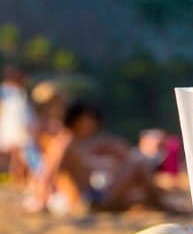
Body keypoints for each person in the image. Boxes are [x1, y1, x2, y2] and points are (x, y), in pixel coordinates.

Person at [27, 99, 170, 214]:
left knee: (140, 197)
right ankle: (165, 208)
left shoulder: (75, 141)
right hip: (85, 202)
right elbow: (49, 170)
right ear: (82, 120)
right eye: (92, 120)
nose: (94, 125)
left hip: (91, 198)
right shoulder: (65, 141)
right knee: (137, 164)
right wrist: (41, 200)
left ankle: (163, 203)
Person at [0, 65, 33, 182]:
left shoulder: (20, 90)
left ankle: (19, 177)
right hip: (10, 124)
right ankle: (16, 177)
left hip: (20, 124)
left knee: (19, 154)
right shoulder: (5, 89)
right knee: (15, 153)